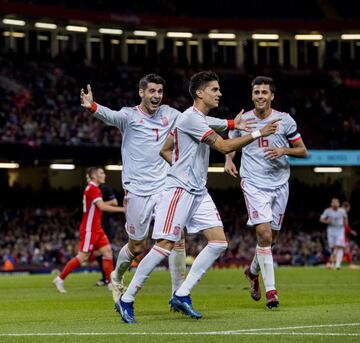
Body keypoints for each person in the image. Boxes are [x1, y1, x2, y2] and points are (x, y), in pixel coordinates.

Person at [115, 71, 280, 324]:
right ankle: (127, 300)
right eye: (215, 89)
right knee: (164, 246)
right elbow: (224, 147)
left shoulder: (193, 119)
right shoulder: (191, 119)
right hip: (179, 191)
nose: (219, 93)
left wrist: (182, 162)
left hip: (198, 191)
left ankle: (181, 293)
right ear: (200, 93)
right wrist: (259, 133)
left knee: (218, 242)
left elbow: (165, 149)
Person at [80, 74, 251, 303]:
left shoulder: (170, 114)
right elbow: (109, 115)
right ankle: (117, 276)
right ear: (141, 93)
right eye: (151, 91)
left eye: (159, 91)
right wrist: (92, 106)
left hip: (165, 186)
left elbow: (198, 121)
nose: (156, 96)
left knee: (175, 237)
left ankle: (177, 294)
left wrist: (230, 123)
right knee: (137, 246)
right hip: (137, 190)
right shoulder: (128, 116)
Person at [224, 76, 308, 309]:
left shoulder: (285, 120)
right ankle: (272, 292)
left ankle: (252, 273)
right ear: (252, 95)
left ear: (272, 96)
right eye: (257, 92)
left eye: (264, 92)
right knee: (264, 235)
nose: (260, 96)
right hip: (253, 183)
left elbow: (303, 151)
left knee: (272, 238)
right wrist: (229, 160)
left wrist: (283, 150)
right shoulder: (244, 119)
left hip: (280, 184)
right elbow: (230, 143)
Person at [53, 167, 125, 293]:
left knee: (107, 252)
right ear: (94, 176)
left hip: (97, 228)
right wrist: (122, 209)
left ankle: (110, 283)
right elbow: (102, 206)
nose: (104, 175)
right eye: (101, 173)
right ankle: (60, 279)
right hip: (89, 229)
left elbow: (101, 206)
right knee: (83, 256)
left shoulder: (94, 189)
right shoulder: (93, 189)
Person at [95, 183, 119, 287]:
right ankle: (106, 277)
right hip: (97, 224)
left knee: (106, 251)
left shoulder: (104, 188)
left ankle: (114, 277)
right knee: (98, 252)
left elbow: (114, 202)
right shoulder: (92, 188)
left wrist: (99, 203)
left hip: (106, 225)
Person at [320, 198, 348, 270]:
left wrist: (346, 227)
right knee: (332, 247)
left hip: (340, 230)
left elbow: (345, 218)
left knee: (338, 245)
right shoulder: (327, 211)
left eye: (336, 203)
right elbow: (321, 219)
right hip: (331, 230)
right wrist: (327, 221)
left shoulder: (342, 211)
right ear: (331, 204)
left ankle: (337, 264)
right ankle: (332, 263)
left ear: (339, 204)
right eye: (333, 203)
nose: (335, 205)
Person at [342, 201, 358, 269]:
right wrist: (351, 231)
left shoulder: (340, 213)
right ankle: (350, 264)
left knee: (340, 250)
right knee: (346, 249)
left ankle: (331, 263)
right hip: (341, 235)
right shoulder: (343, 214)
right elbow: (344, 226)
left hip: (342, 234)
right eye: (348, 209)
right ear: (346, 207)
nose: (348, 210)